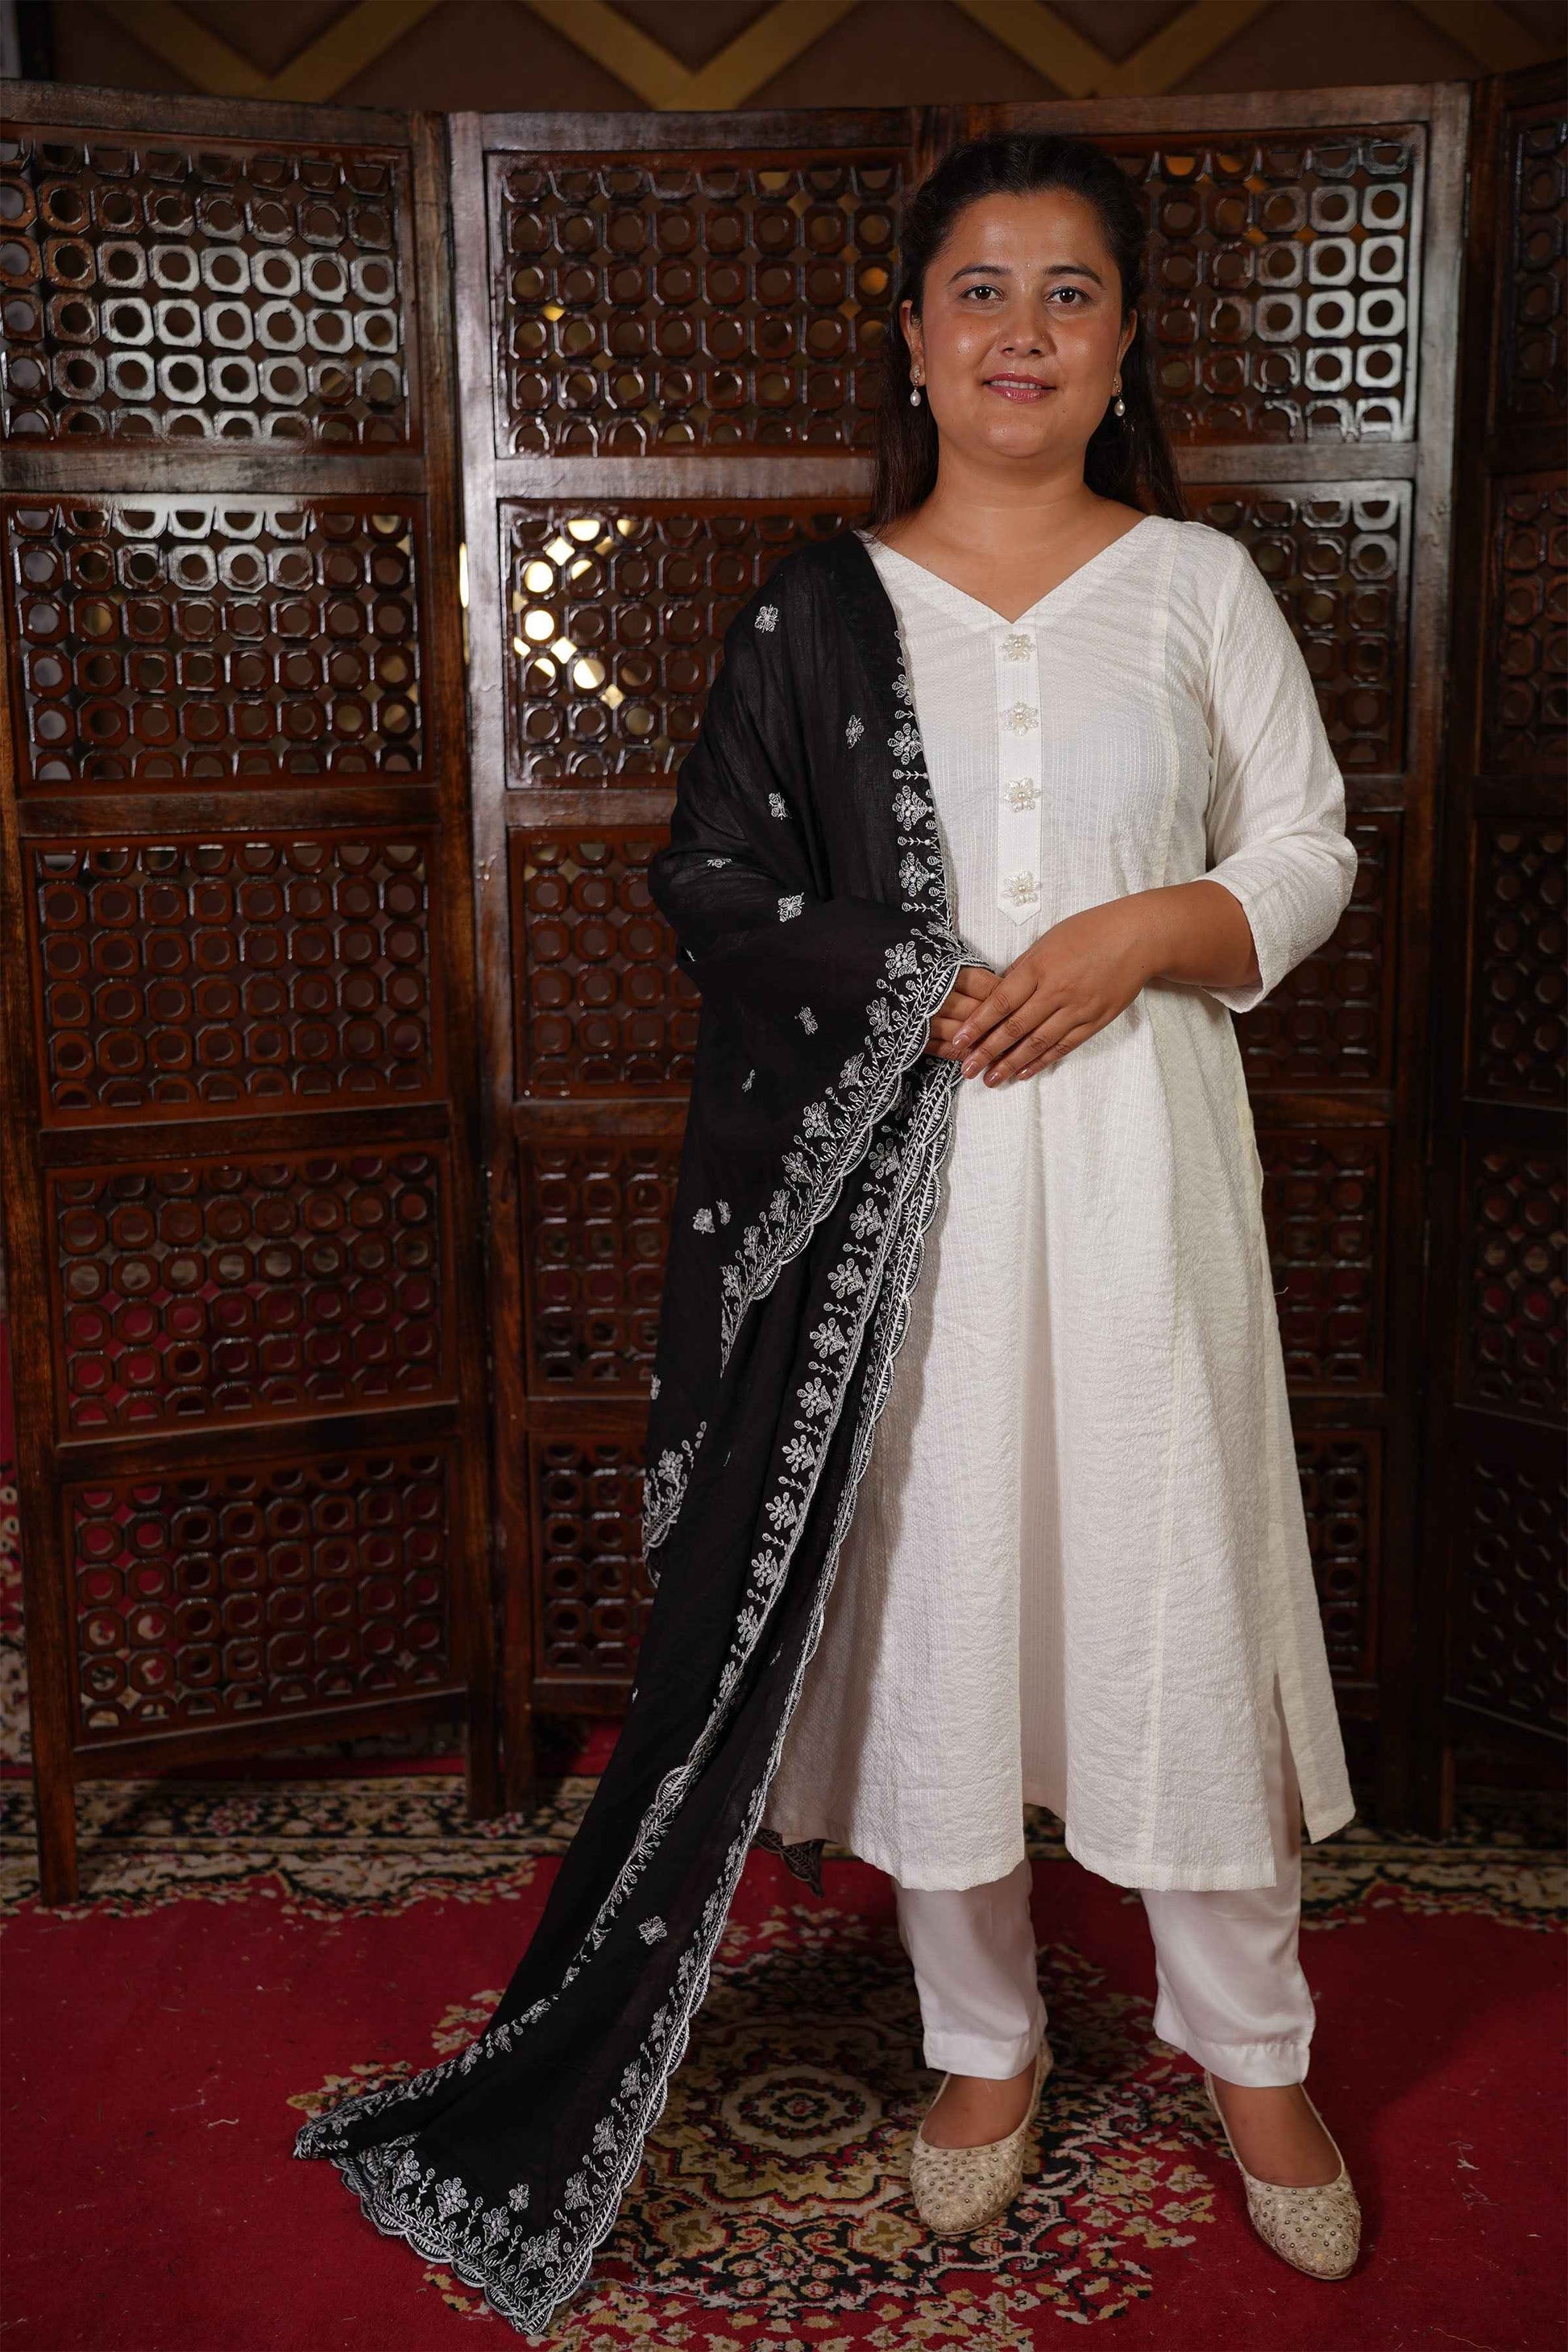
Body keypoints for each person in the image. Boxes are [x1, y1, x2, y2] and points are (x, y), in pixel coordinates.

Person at [295, 133, 1359, 2331]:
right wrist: (911, 983)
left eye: (1070, 293)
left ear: (1124, 343)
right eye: (981, 289)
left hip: (1143, 1182)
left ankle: (1257, 2062)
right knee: (947, 1595)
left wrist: (1148, 929)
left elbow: (1309, 846)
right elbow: (709, 877)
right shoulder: (820, 606)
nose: (1022, 333)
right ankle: (983, 2042)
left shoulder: (1198, 584)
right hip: (907, 1198)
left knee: (1167, 1589)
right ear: (912, 332)